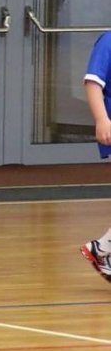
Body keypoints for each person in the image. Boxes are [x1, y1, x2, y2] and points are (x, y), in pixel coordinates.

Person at [81, 31, 111, 283]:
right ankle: (101, 250)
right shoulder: (108, 41)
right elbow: (93, 83)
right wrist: (102, 119)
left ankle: (101, 249)